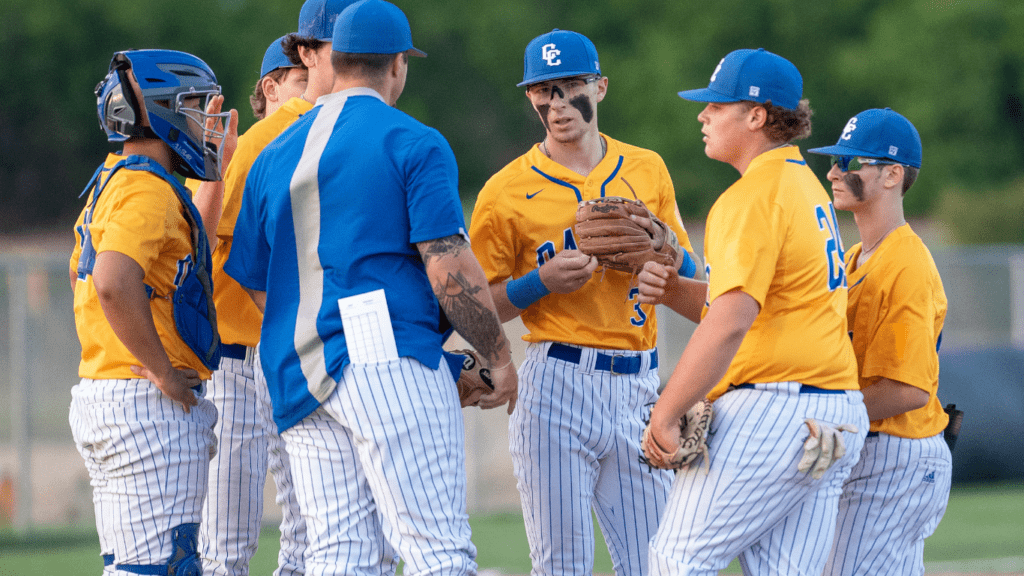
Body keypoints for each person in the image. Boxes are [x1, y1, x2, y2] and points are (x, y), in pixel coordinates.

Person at [224, 1, 518, 574]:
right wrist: (498, 355)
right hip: (384, 353)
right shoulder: (413, 141)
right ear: (397, 65)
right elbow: (447, 269)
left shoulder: (272, 152)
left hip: (294, 369)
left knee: (341, 556)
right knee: (437, 550)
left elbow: (261, 289)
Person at [468, 28, 702, 576]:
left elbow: (698, 280)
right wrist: (538, 283)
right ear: (530, 96)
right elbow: (476, 307)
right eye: (543, 89)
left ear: (599, 87)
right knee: (563, 566)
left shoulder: (647, 168)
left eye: (570, 84)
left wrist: (666, 261)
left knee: (658, 563)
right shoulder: (505, 190)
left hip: (640, 384)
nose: (557, 102)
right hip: (556, 384)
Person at [641, 48, 869, 575]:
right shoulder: (804, 187)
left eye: (717, 105)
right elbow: (755, 304)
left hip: (774, 412)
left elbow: (731, 320)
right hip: (835, 415)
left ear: (756, 115)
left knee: (676, 561)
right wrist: (676, 289)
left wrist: (667, 409)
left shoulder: (752, 197)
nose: (703, 115)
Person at [68, 49, 235, 576]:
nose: (203, 120)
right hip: (144, 401)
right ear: (159, 110)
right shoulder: (147, 189)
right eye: (191, 105)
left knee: (134, 566)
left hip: (108, 389)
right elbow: (114, 282)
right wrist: (165, 373)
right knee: (164, 567)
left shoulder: (117, 179)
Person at [807, 108, 952, 576]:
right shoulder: (852, 257)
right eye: (834, 160)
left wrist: (817, 415)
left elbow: (907, 390)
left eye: (850, 162)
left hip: (898, 453)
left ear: (892, 174)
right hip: (873, 447)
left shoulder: (906, 264)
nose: (833, 171)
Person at [196, 31, 321, 576]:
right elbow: (209, 246)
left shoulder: (313, 140)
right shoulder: (249, 147)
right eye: (301, 79)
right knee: (227, 541)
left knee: (307, 533)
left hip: (285, 355)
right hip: (236, 360)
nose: (313, 90)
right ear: (271, 86)